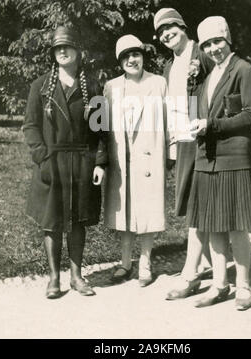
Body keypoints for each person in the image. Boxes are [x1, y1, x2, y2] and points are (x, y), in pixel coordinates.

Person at [23, 26, 107, 299]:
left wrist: (99, 163)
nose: (62, 52)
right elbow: (31, 126)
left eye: (67, 47)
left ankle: (76, 276)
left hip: (82, 162)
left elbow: (102, 130)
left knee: (78, 220)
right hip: (52, 162)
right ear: (53, 54)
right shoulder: (41, 86)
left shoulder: (93, 87)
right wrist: (41, 156)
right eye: (57, 48)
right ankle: (53, 278)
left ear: (77, 51)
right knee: (52, 222)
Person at [189, 16, 251, 310]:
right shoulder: (207, 78)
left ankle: (243, 285)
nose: (213, 48)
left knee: (236, 225)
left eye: (217, 41)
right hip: (207, 159)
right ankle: (220, 284)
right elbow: (198, 110)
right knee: (214, 224)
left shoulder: (244, 70)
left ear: (228, 39)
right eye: (206, 44)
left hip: (234, 157)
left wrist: (211, 125)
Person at [153, 8, 214, 300]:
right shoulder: (169, 65)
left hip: (200, 138)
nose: (167, 34)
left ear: (182, 25)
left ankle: (191, 271)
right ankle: (207, 262)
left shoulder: (200, 54)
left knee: (197, 203)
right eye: (162, 31)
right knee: (194, 201)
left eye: (170, 27)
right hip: (180, 140)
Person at [103, 34, 169, 287]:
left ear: (143, 57)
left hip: (149, 157)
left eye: (136, 54)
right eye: (126, 56)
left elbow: (169, 121)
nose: (132, 60)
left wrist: (170, 154)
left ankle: (145, 263)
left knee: (148, 210)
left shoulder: (158, 83)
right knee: (126, 212)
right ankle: (125, 263)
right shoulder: (111, 87)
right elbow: (103, 126)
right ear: (120, 62)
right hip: (122, 160)